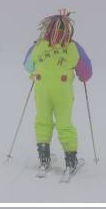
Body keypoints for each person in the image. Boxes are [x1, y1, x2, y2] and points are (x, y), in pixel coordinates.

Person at [23, 9, 93, 174]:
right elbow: (86, 72)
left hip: (42, 90)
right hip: (63, 91)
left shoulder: (38, 46)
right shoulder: (73, 47)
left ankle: (44, 157)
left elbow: (27, 66)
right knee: (64, 123)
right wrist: (80, 75)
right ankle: (70, 159)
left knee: (42, 120)